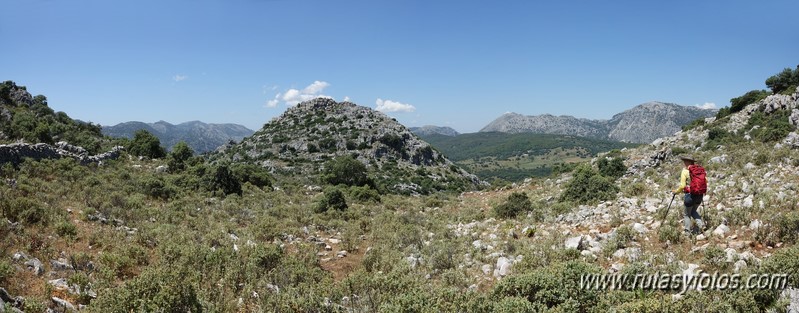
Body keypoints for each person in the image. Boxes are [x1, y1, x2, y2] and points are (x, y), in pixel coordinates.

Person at [673, 155, 704, 234]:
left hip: (690, 196)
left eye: (685, 161)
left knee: (687, 214)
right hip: (699, 195)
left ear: (688, 162)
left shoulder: (685, 171)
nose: (684, 162)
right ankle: (701, 226)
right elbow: (705, 181)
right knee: (693, 211)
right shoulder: (699, 170)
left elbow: (682, 186)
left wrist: (676, 192)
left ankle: (687, 232)